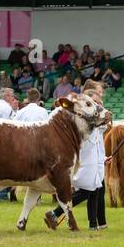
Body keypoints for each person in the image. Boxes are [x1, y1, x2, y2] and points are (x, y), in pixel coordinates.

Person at [46, 81, 109, 231]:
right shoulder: (83, 118)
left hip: (96, 159)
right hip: (86, 159)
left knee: (96, 190)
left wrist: (104, 158)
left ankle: (97, 223)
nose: (100, 103)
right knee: (88, 191)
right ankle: (55, 213)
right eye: (97, 100)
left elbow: (99, 139)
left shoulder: (94, 117)